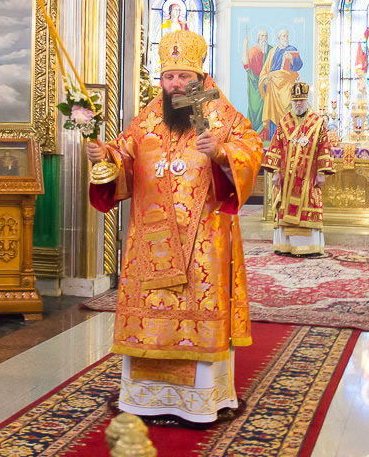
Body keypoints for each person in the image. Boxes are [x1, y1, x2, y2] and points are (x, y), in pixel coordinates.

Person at [87, 29, 263, 425]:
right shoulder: (149, 117)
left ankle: (199, 401)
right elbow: (123, 155)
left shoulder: (222, 115)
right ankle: (144, 399)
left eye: (184, 76)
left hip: (205, 244)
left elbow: (252, 151)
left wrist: (222, 153)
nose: (176, 84)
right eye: (169, 77)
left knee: (198, 313)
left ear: (199, 76)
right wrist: (104, 157)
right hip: (151, 244)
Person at [262, 82, 334, 257]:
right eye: (295, 101)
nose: (298, 104)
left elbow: (324, 148)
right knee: (284, 207)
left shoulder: (317, 123)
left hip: (309, 177)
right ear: (292, 102)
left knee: (309, 206)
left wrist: (321, 172)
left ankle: (310, 247)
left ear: (306, 100)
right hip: (286, 178)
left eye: (301, 100)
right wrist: (276, 172)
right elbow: (276, 147)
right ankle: (285, 246)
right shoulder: (284, 123)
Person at [259, 29, 303, 139]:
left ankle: (287, 138)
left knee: (287, 108)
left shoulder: (292, 49)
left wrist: (291, 59)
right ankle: (274, 138)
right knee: (273, 111)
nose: (285, 38)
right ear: (279, 38)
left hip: (286, 84)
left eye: (287, 36)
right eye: (283, 36)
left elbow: (299, 65)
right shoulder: (272, 51)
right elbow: (265, 69)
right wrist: (265, 79)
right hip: (273, 85)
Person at [241, 29, 270, 134]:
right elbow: (246, 64)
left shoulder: (271, 50)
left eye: (265, 36)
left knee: (268, 108)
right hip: (255, 86)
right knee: (255, 108)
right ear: (258, 38)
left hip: (268, 86)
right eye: (262, 36)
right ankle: (254, 132)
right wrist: (245, 46)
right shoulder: (253, 51)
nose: (264, 38)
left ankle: (265, 133)